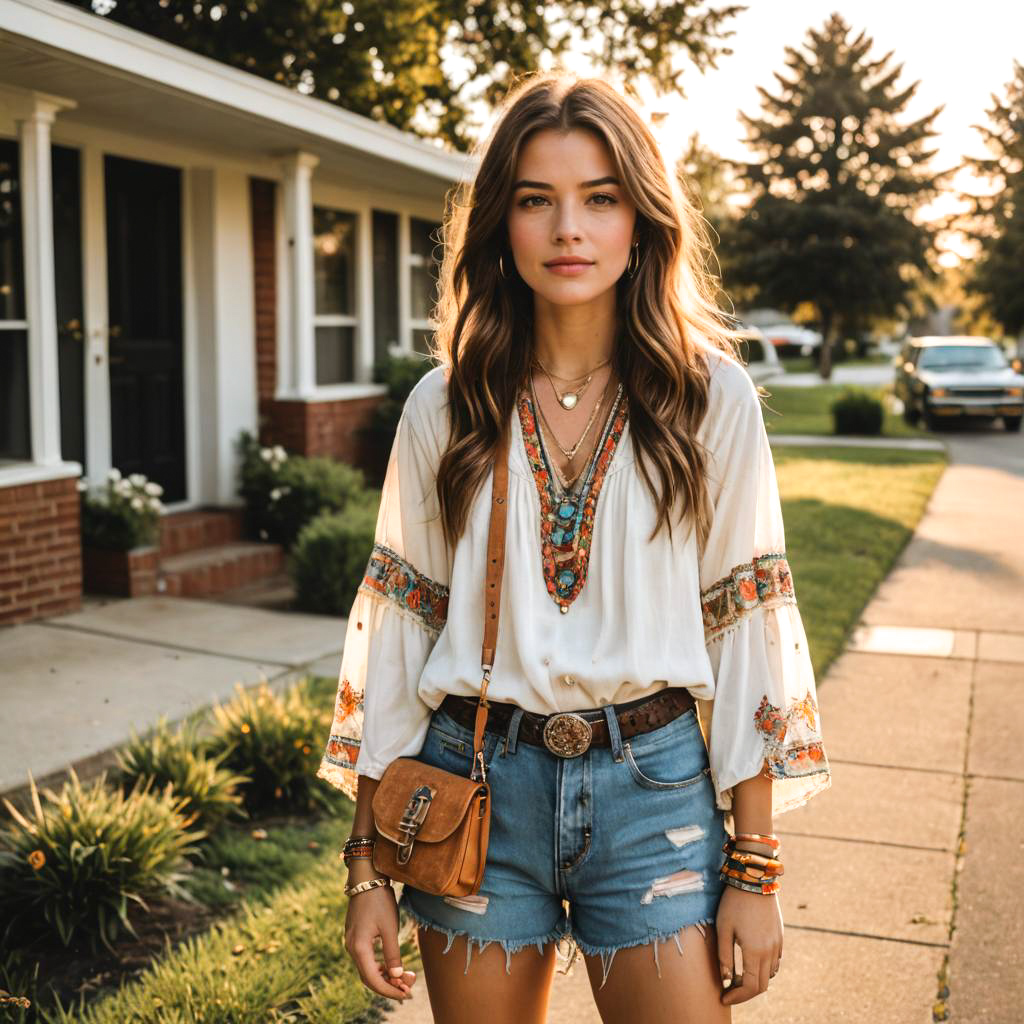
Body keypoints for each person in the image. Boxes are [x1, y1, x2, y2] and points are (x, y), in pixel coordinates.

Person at [317, 71, 831, 1024]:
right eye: (535, 200)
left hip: (656, 793)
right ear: (500, 225)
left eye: (599, 199)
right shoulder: (446, 405)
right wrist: (367, 866)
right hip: (476, 784)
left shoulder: (708, 400)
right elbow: (396, 632)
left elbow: (746, 624)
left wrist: (755, 869)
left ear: (641, 219)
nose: (569, 230)